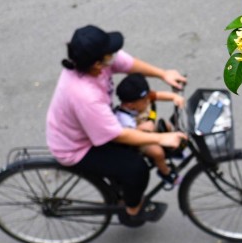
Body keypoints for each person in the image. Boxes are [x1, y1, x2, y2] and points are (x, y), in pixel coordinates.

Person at [46, 25, 188, 227]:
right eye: (109, 54)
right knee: (136, 169)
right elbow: (118, 134)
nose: (114, 56)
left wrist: (163, 74)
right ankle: (131, 212)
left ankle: (121, 190)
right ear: (97, 64)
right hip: (77, 147)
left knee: (133, 154)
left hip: (92, 127)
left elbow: (128, 63)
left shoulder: (93, 64)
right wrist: (160, 138)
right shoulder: (84, 95)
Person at [113, 72, 184, 186]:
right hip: (138, 139)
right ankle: (165, 172)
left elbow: (157, 95)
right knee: (157, 152)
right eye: (145, 101)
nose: (148, 101)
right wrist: (140, 128)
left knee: (166, 125)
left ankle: (171, 150)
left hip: (148, 128)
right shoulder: (124, 118)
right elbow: (128, 136)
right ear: (131, 105)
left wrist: (174, 97)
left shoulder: (141, 99)